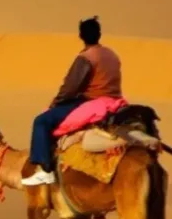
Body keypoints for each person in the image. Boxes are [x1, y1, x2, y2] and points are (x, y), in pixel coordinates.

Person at [20, 16, 122, 186]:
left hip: (91, 102)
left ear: (81, 36)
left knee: (41, 121)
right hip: (115, 101)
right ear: (99, 34)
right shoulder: (112, 54)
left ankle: (45, 171)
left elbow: (70, 88)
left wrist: (56, 103)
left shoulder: (86, 58)